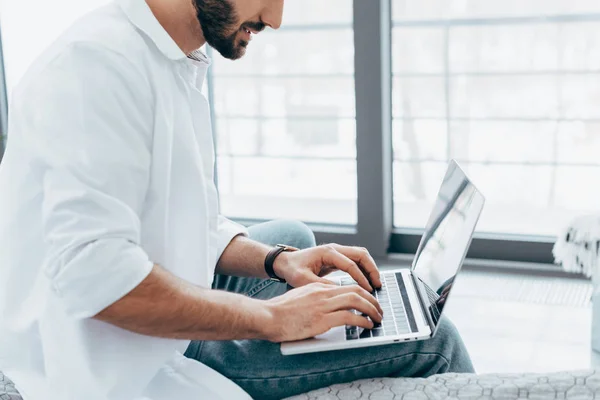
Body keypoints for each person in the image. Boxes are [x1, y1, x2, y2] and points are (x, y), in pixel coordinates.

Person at [0, 0, 474, 399]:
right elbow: (96, 277)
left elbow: (189, 219)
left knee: (291, 236)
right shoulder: (95, 69)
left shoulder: (170, 56)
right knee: (436, 342)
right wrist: (273, 319)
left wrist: (280, 262)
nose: (276, 16)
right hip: (120, 354)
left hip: (147, 308)